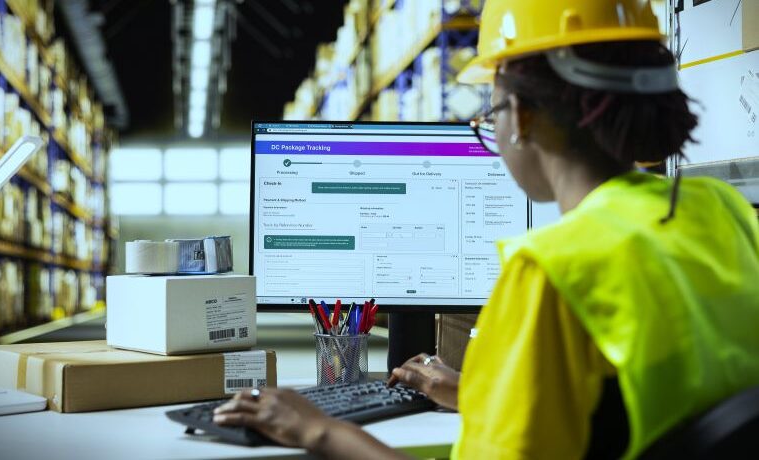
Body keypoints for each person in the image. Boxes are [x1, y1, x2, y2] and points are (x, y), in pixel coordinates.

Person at [213, 1, 759, 458]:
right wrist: (482, 391)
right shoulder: (719, 209)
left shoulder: (551, 269)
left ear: (519, 114)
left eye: (490, 111)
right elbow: (619, 403)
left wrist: (321, 429)